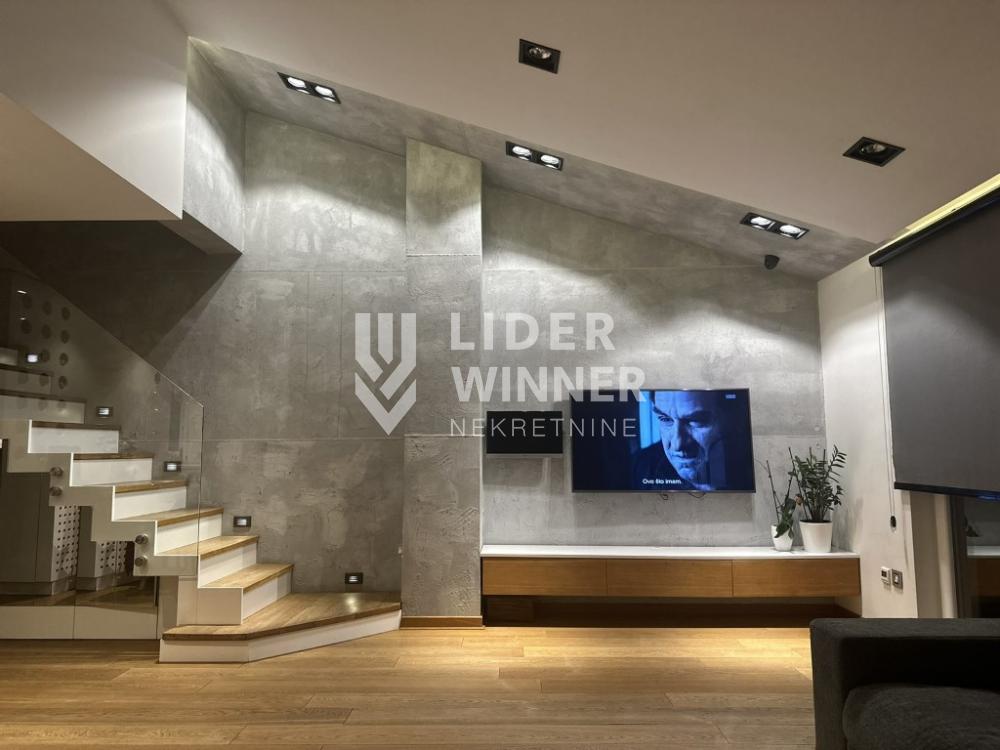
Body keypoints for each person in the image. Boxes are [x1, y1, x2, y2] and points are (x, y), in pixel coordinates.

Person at [632, 390, 729, 491]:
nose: (677, 444)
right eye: (665, 419)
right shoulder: (641, 466)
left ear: (727, 419)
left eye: (696, 420)